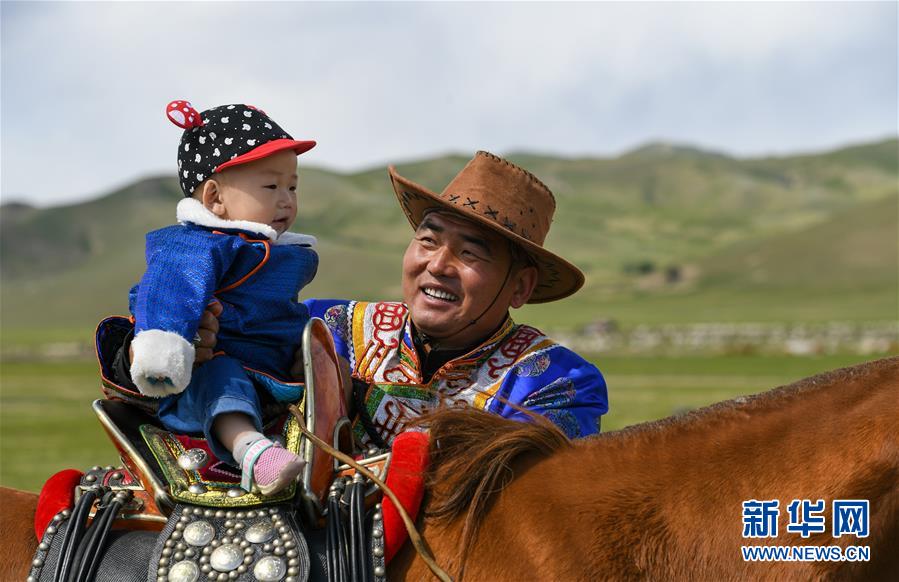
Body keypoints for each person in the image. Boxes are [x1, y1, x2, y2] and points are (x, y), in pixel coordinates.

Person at [108, 151, 608, 449]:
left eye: (470, 253)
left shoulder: (559, 382)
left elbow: (522, 495)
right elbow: (226, 364)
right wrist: (188, 347)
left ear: (519, 287)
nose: (437, 265)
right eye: (428, 241)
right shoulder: (329, 326)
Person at [127, 99, 318, 495]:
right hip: (211, 374)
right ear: (215, 198)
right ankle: (252, 453)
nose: (286, 198)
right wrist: (163, 348)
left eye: (293, 186)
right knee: (221, 378)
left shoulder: (281, 253)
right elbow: (170, 288)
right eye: (271, 185)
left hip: (270, 371)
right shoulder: (199, 245)